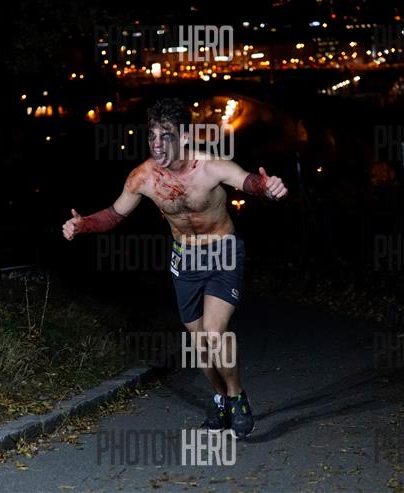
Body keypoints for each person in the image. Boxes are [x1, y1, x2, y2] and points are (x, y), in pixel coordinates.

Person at [62, 98, 288, 438]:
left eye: (165, 136)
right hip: (185, 258)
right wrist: (83, 225)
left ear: (184, 137)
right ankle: (220, 400)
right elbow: (114, 214)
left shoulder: (210, 167)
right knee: (199, 343)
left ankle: (237, 398)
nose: (156, 144)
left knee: (214, 332)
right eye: (152, 136)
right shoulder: (143, 177)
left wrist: (268, 188)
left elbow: (248, 182)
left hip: (223, 252)